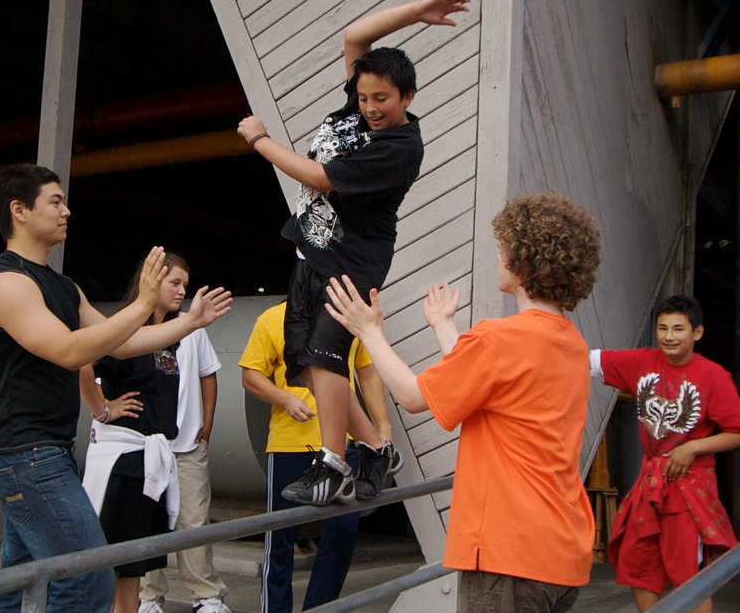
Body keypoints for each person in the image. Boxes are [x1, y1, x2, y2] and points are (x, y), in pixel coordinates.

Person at [237, 0, 470, 506]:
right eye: (363, 98)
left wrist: (260, 140)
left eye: (381, 100)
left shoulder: (399, 147)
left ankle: (334, 463)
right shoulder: (359, 107)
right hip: (310, 251)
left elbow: (321, 178)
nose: (369, 109)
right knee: (306, 364)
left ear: (407, 98)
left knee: (327, 354)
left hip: (351, 261)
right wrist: (416, 10)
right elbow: (355, 37)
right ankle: (378, 449)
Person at [324, 192, 601, 612]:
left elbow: (414, 397)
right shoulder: (571, 344)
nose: (497, 256)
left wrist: (369, 331)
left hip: (509, 553)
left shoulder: (499, 339)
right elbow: (484, 387)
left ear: (521, 261)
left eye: (504, 248)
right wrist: (444, 327)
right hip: (561, 550)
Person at [0, 164, 231, 612]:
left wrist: (189, 322)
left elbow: (123, 343)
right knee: (88, 578)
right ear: (19, 211)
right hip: (24, 453)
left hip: (46, 451)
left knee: (20, 582)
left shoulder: (64, 287)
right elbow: (70, 352)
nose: (66, 210)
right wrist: (145, 304)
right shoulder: (6, 284)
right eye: (54, 201)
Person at [81, 253, 231, 613]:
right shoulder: (123, 326)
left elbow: (205, 375)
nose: (182, 291)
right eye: (174, 283)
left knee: (142, 556)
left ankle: (191, 597)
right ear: (151, 282)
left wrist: (204, 426)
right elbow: (83, 360)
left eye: (185, 284)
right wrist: (102, 408)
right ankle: (142, 601)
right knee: (116, 560)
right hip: (125, 458)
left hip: (159, 452)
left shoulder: (178, 333)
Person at [590, 295, 740, 613]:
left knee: (688, 577)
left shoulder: (713, 375)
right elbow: (589, 360)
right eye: (663, 328)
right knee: (637, 568)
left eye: (678, 328)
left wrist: (692, 447)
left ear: (697, 332)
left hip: (687, 489)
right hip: (649, 484)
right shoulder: (642, 361)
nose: (668, 336)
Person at [239, 301, 393, 613]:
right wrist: (285, 398)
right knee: (279, 542)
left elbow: (367, 371)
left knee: (341, 539)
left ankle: (319, 608)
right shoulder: (272, 318)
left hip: (341, 447)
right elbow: (251, 375)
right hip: (288, 445)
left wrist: (384, 426)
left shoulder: (347, 317)